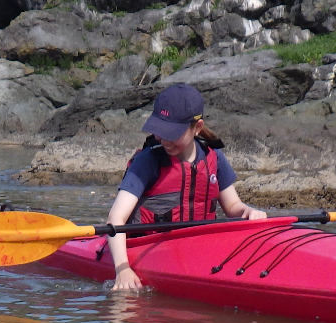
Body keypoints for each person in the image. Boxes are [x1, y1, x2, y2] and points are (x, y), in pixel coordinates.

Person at [106, 83, 266, 291]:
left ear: (197, 127)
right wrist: (122, 269)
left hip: (200, 249)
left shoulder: (214, 158)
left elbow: (233, 206)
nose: (163, 140)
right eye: (159, 131)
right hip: (149, 249)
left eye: (171, 133)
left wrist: (247, 211)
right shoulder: (148, 161)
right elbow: (115, 219)